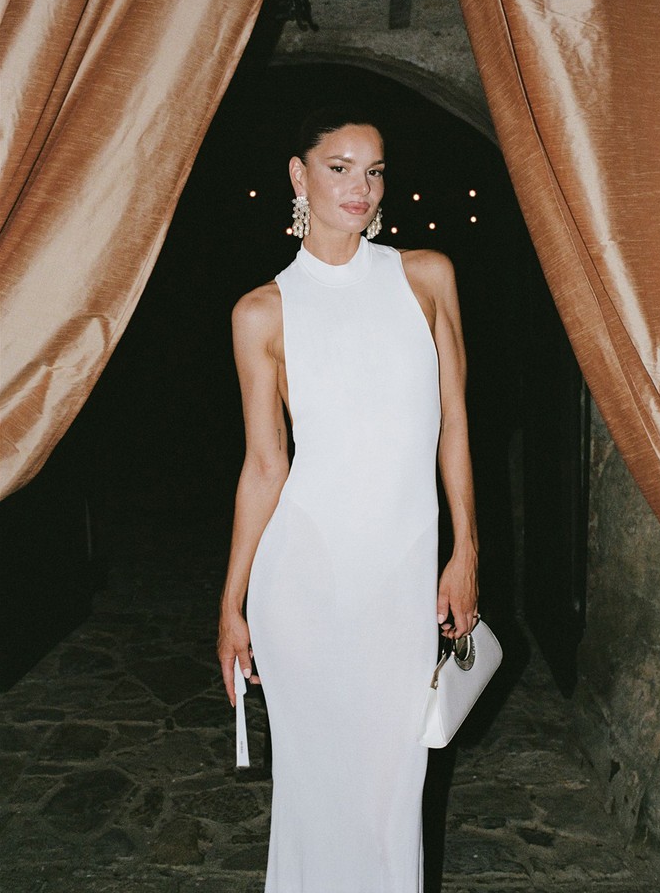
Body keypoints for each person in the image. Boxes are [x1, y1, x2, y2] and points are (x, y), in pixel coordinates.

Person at [217, 106, 479, 892]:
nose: (360, 187)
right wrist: (231, 606)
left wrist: (465, 552)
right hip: (303, 584)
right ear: (299, 175)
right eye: (339, 167)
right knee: (315, 792)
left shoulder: (425, 276)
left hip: (398, 586)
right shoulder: (261, 311)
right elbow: (265, 465)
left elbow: (455, 428)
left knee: (392, 792)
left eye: (373, 170)